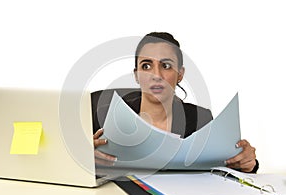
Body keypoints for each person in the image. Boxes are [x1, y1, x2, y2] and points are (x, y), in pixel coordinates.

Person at [93, 32, 258, 173]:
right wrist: (83, 158)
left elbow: (224, 169)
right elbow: (74, 171)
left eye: (165, 65)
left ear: (180, 74)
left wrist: (247, 163)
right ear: (136, 75)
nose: (156, 75)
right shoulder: (107, 116)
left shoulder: (200, 120)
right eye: (146, 66)